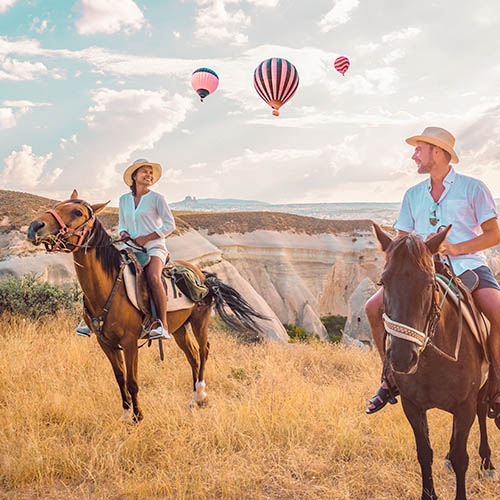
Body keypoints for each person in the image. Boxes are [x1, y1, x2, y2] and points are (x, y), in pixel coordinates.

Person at [364, 126, 500, 428]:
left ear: (437, 152)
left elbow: (494, 234)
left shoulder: (473, 187)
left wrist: (456, 247)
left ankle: (497, 386)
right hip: (422, 271)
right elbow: (401, 239)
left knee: (498, 311)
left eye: (419, 149)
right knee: (373, 308)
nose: (414, 155)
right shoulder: (413, 194)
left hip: (467, 266)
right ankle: (389, 378)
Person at [76, 158, 175, 340]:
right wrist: (123, 233)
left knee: (153, 276)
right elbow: (122, 223)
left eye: (151, 172)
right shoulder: (124, 200)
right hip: (130, 246)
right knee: (103, 271)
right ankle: (89, 320)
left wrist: (148, 237)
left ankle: (162, 325)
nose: (149, 175)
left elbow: (170, 225)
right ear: (134, 176)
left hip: (154, 247)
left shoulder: (157, 198)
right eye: (144, 171)